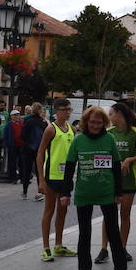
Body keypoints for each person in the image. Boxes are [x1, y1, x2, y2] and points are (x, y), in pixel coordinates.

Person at [64, 106, 132, 270]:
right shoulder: (78, 141)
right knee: (84, 234)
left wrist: (118, 193)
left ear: (104, 123)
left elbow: (117, 167)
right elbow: (70, 167)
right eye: (92, 122)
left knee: (113, 232)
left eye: (99, 122)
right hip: (84, 193)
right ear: (86, 122)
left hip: (107, 193)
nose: (95, 125)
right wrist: (66, 192)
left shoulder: (109, 139)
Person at [96, 103, 136, 267]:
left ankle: (122, 247)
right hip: (110, 180)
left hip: (129, 179)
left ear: (119, 114)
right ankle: (104, 248)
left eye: (111, 114)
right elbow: (101, 153)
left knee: (125, 214)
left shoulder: (135, 133)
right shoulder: (108, 133)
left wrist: (129, 160)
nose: (109, 117)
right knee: (108, 215)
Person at [35, 98, 77, 260]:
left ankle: (58, 245)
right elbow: (39, 154)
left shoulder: (72, 129)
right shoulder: (50, 130)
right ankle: (46, 247)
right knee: (49, 210)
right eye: (64, 110)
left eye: (69, 109)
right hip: (52, 176)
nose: (67, 112)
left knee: (63, 211)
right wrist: (41, 179)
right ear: (57, 111)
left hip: (66, 177)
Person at [20, 103, 46, 200]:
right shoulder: (43, 123)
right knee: (40, 171)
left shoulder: (28, 121)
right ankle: (40, 192)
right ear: (40, 111)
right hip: (40, 149)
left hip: (28, 148)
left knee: (27, 170)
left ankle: (25, 192)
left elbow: (22, 136)